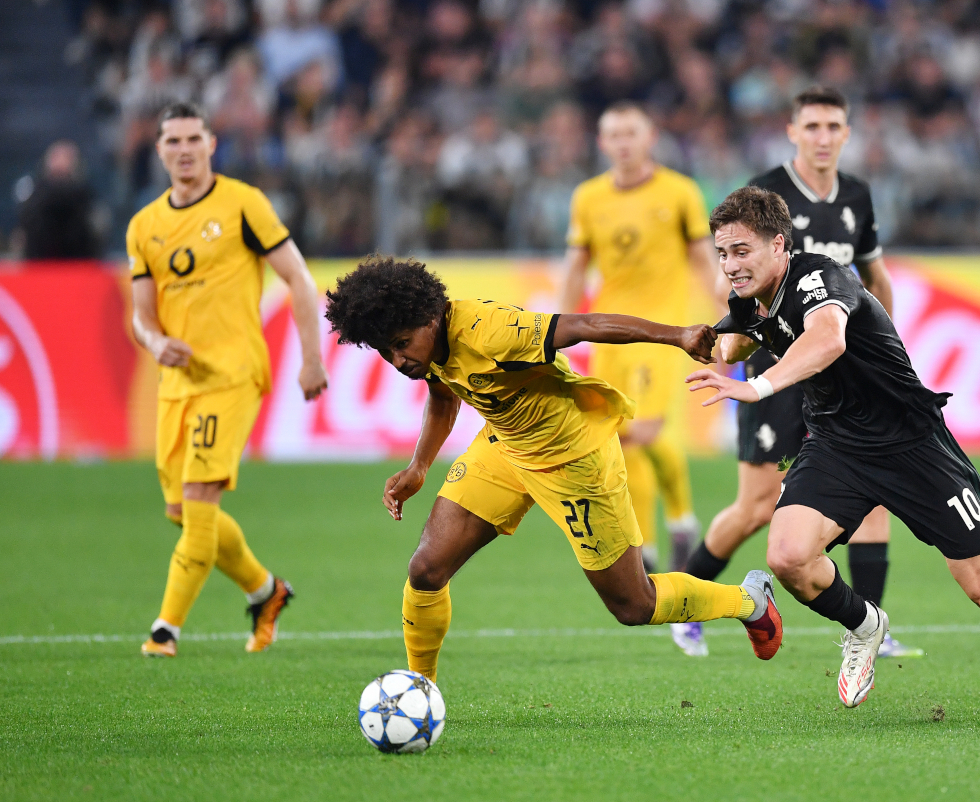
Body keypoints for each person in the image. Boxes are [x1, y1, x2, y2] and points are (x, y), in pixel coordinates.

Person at [687, 187, 980, 724]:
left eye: (741, 251)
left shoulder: (819, 279)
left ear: (779, 245)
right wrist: (698, 340)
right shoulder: (751, 300)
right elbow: (734, 340)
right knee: (788, 557)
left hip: (913, 447)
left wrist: (759, 388)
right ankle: (864, 625)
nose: (730, 265)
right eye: (722, 253)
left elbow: (828, 340)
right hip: (838, 446)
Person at [323, 256, 782, 685]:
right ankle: (420, 689)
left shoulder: (491, 330)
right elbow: (442, 391)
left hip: (574, 458)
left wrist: (677, 335)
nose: (399, 360)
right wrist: (419, 465)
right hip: (505, 449)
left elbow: (586, 325)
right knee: (425, 569)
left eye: (403, 345)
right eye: (388, 352)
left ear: (431, 318)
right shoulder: (429, 350)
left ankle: (748, 601)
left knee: (633, 604)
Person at [674, 86, 920, 659]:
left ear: (847, 133)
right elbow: (728, 273)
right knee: (758, 506)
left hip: (841, 366)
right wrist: (734, 326)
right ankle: (687, 605)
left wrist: (889, 345)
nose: (823, 137)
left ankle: (870, 628)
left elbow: (875, 277)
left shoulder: (856, 195)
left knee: (875, 488)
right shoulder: (766, 194)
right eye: (812, 126)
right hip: (775, 362)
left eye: (834, 126)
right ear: (792, 132)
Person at [128, 102, 328, 657]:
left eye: (195, 138)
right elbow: (140, 314)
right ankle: (266, 591)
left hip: (234, 373)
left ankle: (164, 631)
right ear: (160, 149)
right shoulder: (145, 226)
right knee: (185, 514)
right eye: (173, 141)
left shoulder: (242, 203)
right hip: (178, 383)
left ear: (212, 144)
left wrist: (311, 359)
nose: (185, 149)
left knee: (198, 499)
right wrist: (154, 340)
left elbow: (300, 279)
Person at [560, 102, 717, 616]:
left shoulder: (679, 192)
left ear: (650, 136)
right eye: (613, 135)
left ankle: (675, 522)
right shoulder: (588, 197)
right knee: (620, 440)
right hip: (610, 334)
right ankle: (656, 546)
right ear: (603, 143)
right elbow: (577, 263)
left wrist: (730, 315)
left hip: (663, 333)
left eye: (632, 132)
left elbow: (702, 258)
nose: (623, 142)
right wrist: (557, 328)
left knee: (645, 431)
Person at [17, 140, 98, 259]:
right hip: (40, 260)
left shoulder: (83, 192)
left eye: (66, 157)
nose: (60, 162)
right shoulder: (35, 190)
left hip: (76, 260)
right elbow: (26, 219)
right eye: (56, 156)